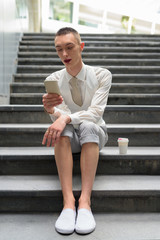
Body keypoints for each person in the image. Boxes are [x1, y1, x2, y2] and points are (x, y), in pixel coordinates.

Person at [42, 27, 112, 235]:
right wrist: (51, 110)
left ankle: (84, 202)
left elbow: (96, 112)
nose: (64, 54)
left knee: (89, 125)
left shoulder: (102, 75)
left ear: (81, 47)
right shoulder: (53, 79)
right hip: (69, 138)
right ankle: (68, 203)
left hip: (95, 133)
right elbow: (60, 116)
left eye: (69, 47)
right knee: (62, 131)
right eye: (59, 49)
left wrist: (63, 117)